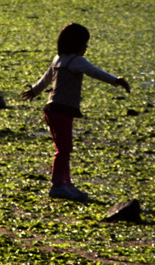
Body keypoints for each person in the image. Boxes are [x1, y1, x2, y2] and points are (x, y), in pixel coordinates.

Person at [21, 22, 130, 202]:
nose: (86, 48)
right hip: (60, 110)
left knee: (64, 148)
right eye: (85, 44)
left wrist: (34, 91)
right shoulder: (76, 61)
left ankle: (67, 183)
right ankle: (57, 185)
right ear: (77, 44)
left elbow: (45, 79)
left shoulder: (58, 59)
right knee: (63, 149)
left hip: (53, 109)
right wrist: (115, 81)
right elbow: (94, 72)